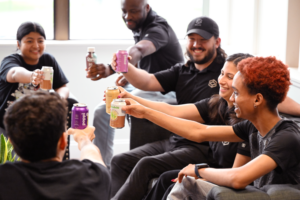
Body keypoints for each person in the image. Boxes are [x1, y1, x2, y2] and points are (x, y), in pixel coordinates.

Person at [121, 56, 300, 199]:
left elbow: (238, 178)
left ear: (258, 99)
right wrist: (144, 112)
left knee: (188, 182)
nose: (231, 99)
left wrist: (200, 170)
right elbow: (199, 132)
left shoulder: (286, 137)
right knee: (181, 182)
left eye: (236, 93)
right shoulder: (252, 127)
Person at [109, 16, 227, 200]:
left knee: (146, 164)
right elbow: (147, 81)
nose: (196, 44)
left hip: (203, 147)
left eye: (203, 40)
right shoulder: (182, 71)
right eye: (192, 39)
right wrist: (125, 68)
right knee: (120, 160)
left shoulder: (225, 74)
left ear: (217, 42)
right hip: (175, 140)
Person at [88, 0, 184, 168]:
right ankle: (102, 169)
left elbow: (138, 50)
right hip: (148, 85)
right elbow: (149, 63)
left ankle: (131, 167)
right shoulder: (140, 25)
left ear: (147, 8)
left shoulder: (158, 28)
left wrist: (112, 68)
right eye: (124, 11)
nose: (127, 16)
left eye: (133, 11)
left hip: (168, 89)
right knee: (102, 110)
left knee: (130, 100)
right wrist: (129, 76)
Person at [0, 91, 111, 200]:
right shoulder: (92, 178)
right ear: (63, 141)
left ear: (12, 142)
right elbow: (95, 158)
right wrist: (84, 140)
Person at [0, 22, 77, 160]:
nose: (36, 46)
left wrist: (57, 99)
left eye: (40, 41)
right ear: (18, 44)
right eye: (29, 41)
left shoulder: (48, 60)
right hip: (7, 125)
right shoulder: (10, 60)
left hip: (36, 125)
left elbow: (63, 86)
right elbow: (14, 74)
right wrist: (32, 76)